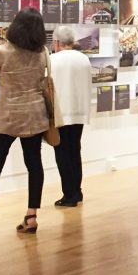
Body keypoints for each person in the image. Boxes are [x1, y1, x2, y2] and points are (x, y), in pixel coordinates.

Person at [0, 9, 52, 237]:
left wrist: (5, 86)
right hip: (35, 115)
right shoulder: (42, 52)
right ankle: (31, 216)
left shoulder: (2, 52)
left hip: (7, 115)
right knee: (34, 165)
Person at [50, 25, 92, 207]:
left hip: (61, 113)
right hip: (80, 111)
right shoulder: (84, 59)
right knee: (75, 151)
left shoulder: (53, 60)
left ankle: (69, 195)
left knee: (62, 155)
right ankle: (77, 191)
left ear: (57, 42)